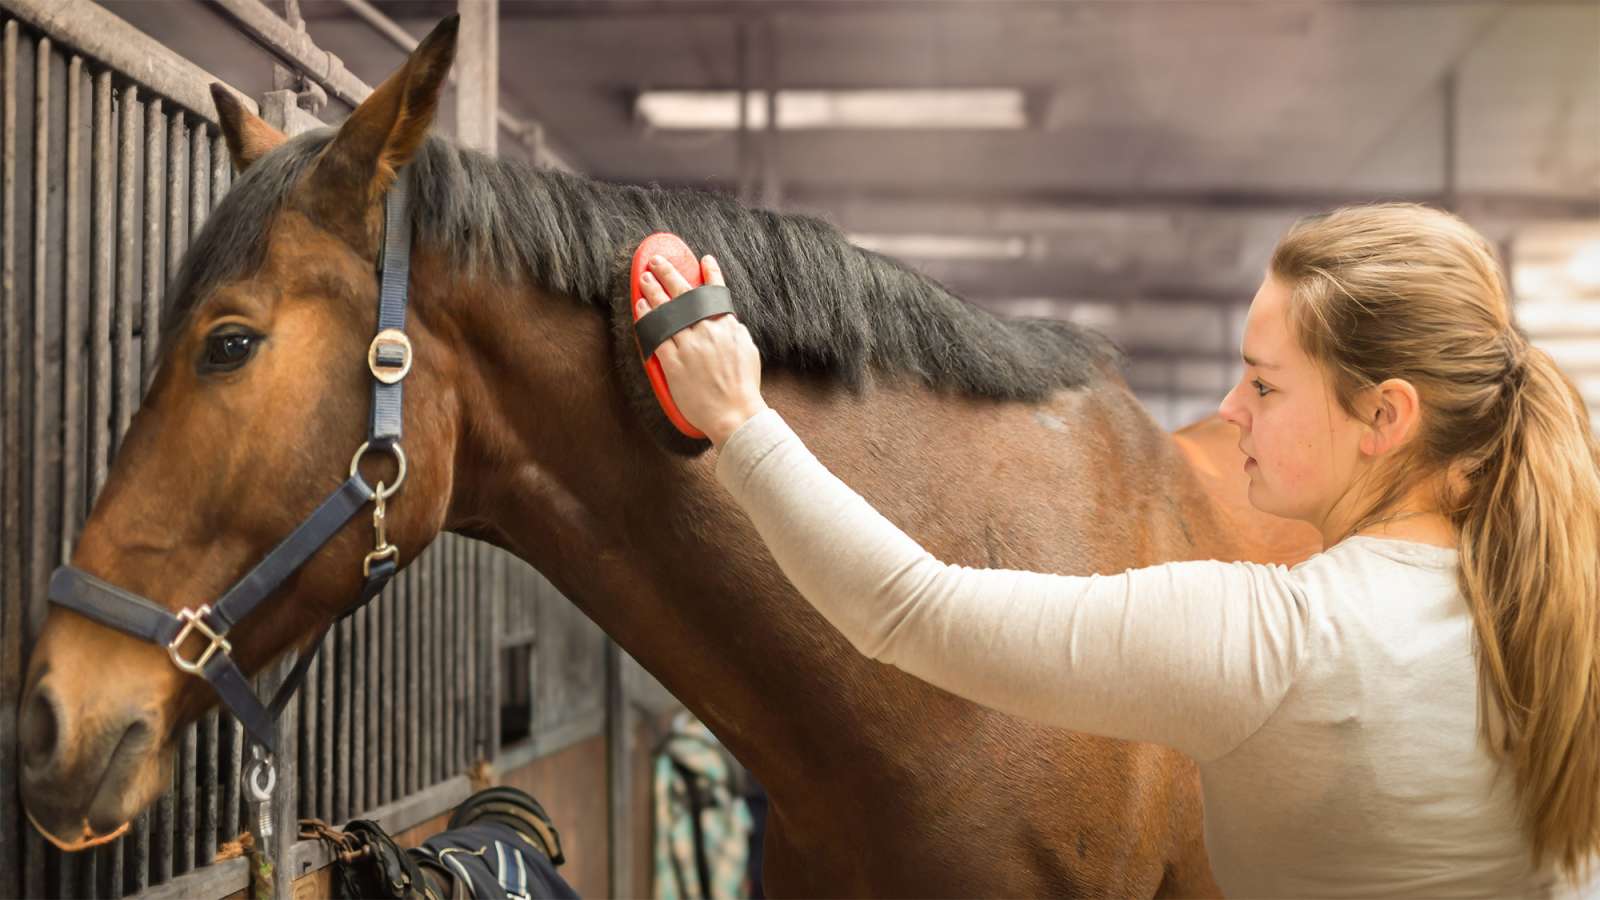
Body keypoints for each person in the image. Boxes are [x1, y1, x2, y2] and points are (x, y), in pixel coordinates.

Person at [632, 202, 1600, 898]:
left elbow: (908, 609)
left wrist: (740, 420)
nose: (1229, 411)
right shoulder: (1562, 613)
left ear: (1383, 417)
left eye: (1264, 386)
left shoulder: (1275, 642)